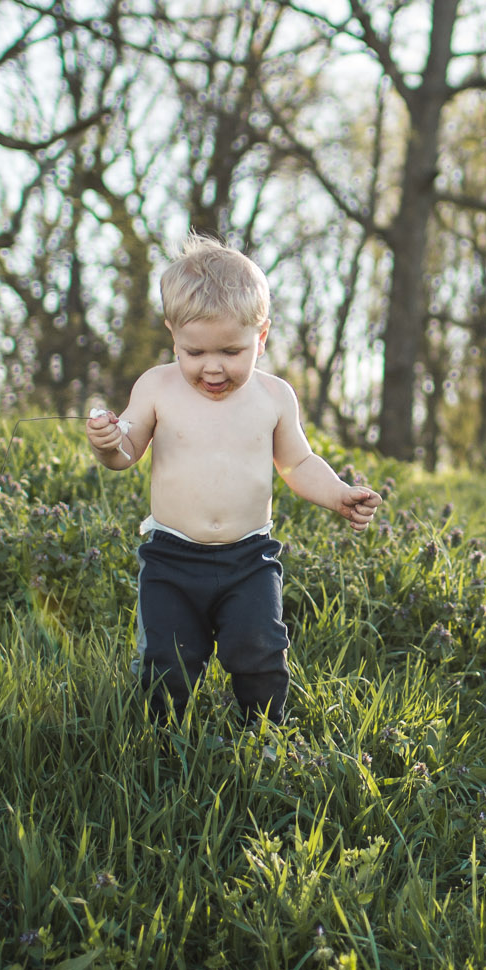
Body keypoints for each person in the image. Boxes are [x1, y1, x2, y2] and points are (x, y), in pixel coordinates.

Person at [84, 237, 380, 725]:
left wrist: (339, 494)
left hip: (249, 558)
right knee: (168, 662)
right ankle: (161, 742)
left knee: (260, 650)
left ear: (261, 335)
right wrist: (107, 441)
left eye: (231, 350)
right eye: (194, 351)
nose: (213, 367)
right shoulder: (157, 386)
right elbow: (127, 452)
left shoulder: (273, 397)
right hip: (171, 558)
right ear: (172, 333)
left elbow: (298, 464)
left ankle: (263, 733)